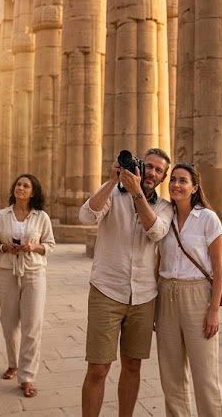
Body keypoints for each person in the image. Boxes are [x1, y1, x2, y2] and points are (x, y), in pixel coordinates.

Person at [79, 149, 173, 417]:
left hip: (143, 296)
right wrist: (111, 181)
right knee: (98, 368)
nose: (152, 173)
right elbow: (86, 217)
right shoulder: (112, 192)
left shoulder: (164, 207)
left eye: (158, 170)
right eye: (149, 166)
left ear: (163, 177)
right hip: (107, 290)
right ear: (140, 167)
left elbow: (154, 231)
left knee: (132, 365)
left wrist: (136, 195)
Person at [155, 163, 222, 417]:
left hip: (197, 295)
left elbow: (219, 269)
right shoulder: (164, 215)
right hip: (166, 294)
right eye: (173, 179)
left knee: (205, 375)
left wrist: (213, 311)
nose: (176, 185)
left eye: (183, 181)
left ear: (194, 187)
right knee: (171, 376)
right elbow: (157, 261)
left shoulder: (208, 218)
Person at [0, 173, 56, 398]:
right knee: (8, 323)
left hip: (34, 273)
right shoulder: (1, 215)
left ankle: (27, 376)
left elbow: (50, 246)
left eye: (26, 186)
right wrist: (5, 247)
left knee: (32, 326)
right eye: (18, 184)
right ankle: (12, 363)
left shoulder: (42, 217)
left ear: (33, 192)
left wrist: (34, 247)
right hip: (7, 272)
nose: (21, 188)